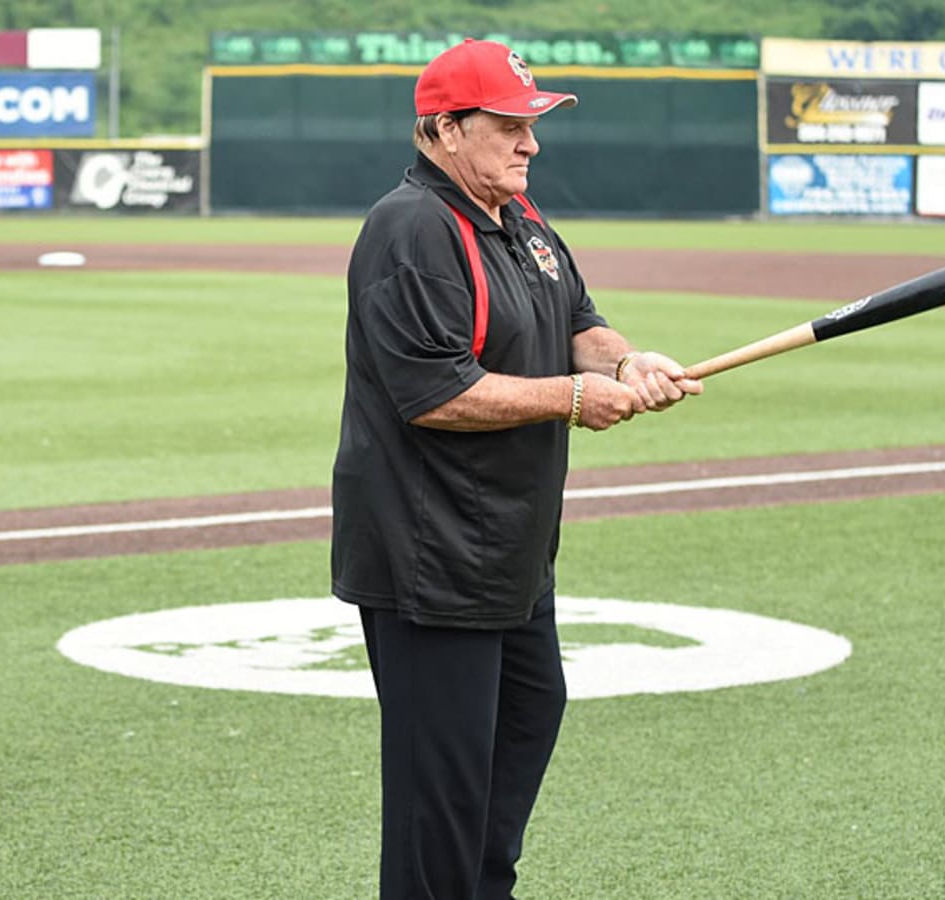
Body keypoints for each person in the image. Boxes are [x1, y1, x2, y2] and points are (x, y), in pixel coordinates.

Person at [331, 38, 703, 899]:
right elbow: (434, 394)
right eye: (509, 126)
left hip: (511, 553)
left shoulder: (522, 218)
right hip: (432, 557)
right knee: (442, 799)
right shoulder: (413, 227)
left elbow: (581, 319)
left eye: (533, 124)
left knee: (528, 725)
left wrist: (625, 361)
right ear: (444, 130)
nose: (530, 143)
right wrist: (571, 398)